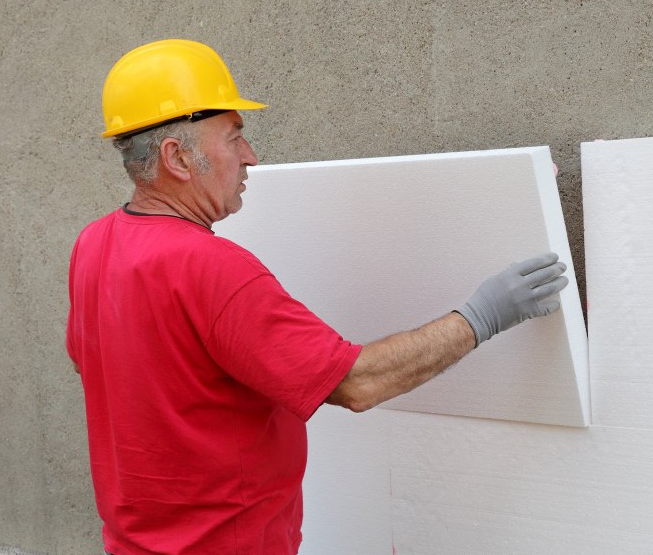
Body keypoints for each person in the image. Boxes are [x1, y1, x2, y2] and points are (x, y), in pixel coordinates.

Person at [66, 39, 569, 555]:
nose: (251, 158)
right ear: (177, 157)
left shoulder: (94, 245)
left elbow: (127, 375)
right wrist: (483, 315)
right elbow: (356, 383)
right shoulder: (210, 267)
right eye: (234, 137)